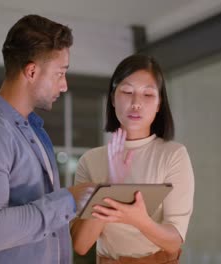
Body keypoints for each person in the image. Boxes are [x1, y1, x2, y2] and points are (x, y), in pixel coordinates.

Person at [0, 14, 94, 264]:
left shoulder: (34, 131)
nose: (65, 85)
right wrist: (69, 199)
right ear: (32, 71)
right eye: (60, 73)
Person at [71, 54, 195, 264]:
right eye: (127, 92)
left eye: (148, 95)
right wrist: (110, 184)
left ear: (159, 104)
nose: (136, 103)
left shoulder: (173, 155)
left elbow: (174, 242)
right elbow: (81, 245)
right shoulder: (90, 161)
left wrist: (140, 221)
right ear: (112, 98)